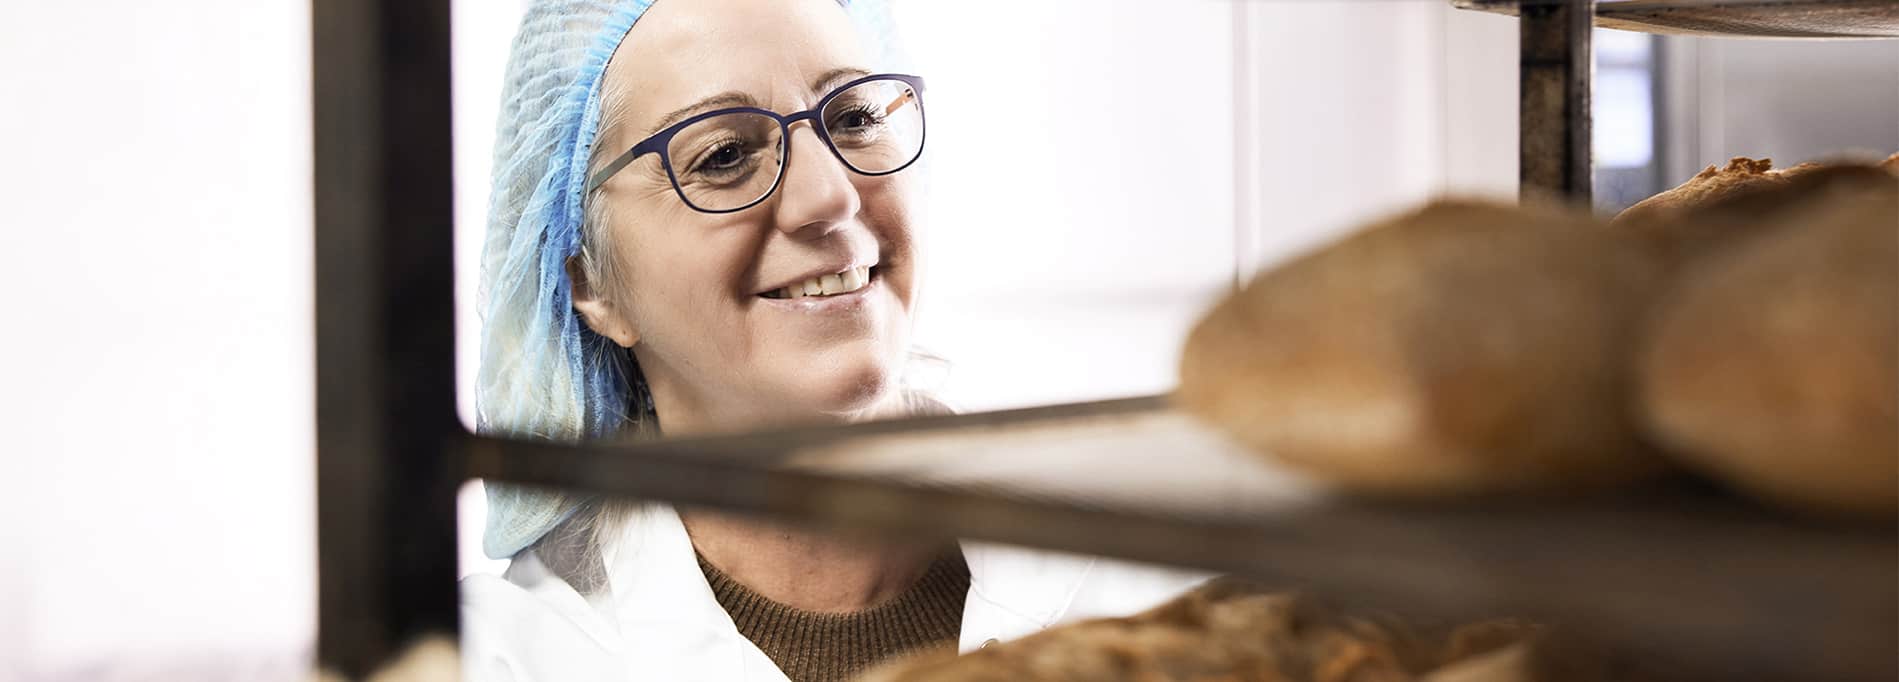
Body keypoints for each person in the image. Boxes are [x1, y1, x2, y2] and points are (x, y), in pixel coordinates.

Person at [461, 1, 1208, 679]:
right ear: (589, 282)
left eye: (853, 117)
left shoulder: (1175, 584)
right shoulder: (497, 660)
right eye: (724, 155)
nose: (832, 194)